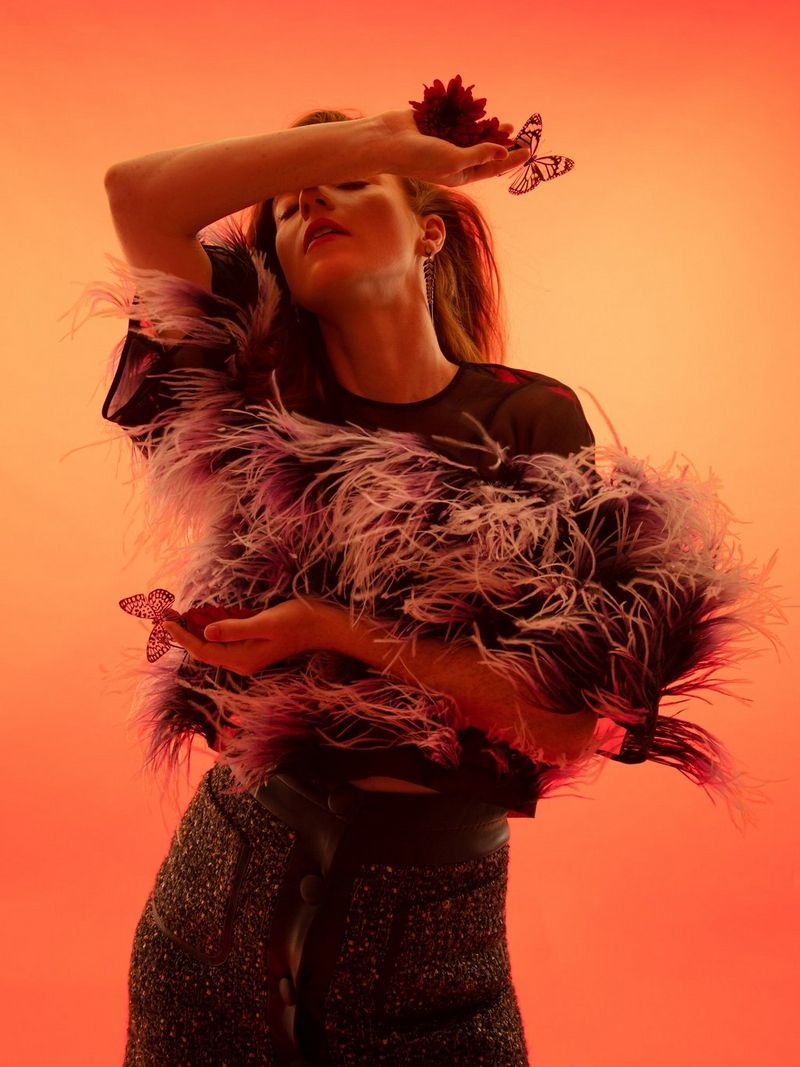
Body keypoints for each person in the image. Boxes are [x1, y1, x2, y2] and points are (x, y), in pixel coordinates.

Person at [92, 103, 777, 1066]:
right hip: (207, 937)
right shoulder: (262, 401)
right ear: (277, 271)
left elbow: (566, 722)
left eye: (352, 186)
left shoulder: (531, 419)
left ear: (431, 225)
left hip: (434, 970)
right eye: (286, 208)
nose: (312, 201)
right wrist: (369, 147)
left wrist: (334, 629)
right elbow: (138, 194)